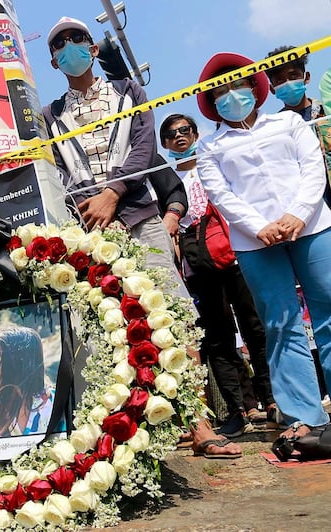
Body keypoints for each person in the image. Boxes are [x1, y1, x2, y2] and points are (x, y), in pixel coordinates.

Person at [195, 51, 331, 440]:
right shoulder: (209, 147)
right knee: (280, 323)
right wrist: (260, 227)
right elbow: (221, 195)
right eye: (221, 90)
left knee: (329, 313)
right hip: (256, 243)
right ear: (211, 102)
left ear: (255, 88)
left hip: (314, 228)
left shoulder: (289, 123)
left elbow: (312, 169)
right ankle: (304, 418)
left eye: (238, 84)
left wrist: (298, 215)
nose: (231, 94)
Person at [41, 16, 190, 300]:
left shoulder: (128, 91)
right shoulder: (50, 115)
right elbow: (58, 172)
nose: (69, 46)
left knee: (172, 308)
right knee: (116, 320)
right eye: (60, 44)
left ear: (93, 49)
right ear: (54, 62)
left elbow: (144, 147)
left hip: (141, 216)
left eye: (76, 39)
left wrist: (112, 193)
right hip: (91, 226)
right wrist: (93, 208)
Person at [161, 113, 275, 436]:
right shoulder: (164, 179)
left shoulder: (215, 160)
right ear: (165, 144)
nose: (179, 136)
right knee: (218, 338)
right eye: (171, 134)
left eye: (185, 130)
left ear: (196, 134)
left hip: (235, 252)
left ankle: (271, 400)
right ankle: (238, 410)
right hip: (197, 265)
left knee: (255, 327)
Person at [265, 45, 330, 208]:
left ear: (306, 77)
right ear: (272, 89)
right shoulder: (272, 130)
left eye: (293, 76)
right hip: (308, 209)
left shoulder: (327, 113)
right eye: (279, 80)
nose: (288, 83)